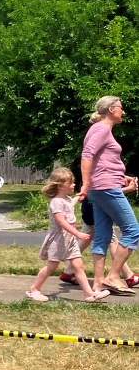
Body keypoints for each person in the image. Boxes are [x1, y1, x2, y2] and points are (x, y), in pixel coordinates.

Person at [77, 96, 139, 295]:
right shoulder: (102, 129)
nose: (123, 111)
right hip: (105, 188)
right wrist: (85, 184)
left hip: (103, 186)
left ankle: (98, 283)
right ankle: (113, 276)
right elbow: (87, 155)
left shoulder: (98, 129)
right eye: (121, 108)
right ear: (112, 109)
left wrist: (123, 177)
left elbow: (102, 163)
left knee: (102, 236)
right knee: (133, 230)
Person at [26, 168, 109, 303]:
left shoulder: (66, 199)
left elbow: (70, 204)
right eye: (71, 183)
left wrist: (81, 195)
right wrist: (78, 234)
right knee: (51, 266)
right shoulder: (56, 202)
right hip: (59, 239)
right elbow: (61, 221)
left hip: (69, 240)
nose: (73, 185)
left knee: (78, 266)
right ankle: (34, 289)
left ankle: (89, 294)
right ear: (60, 185)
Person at [60, 179, 139, 287]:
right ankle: (129, 276)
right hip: (95, 208)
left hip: (91, 208)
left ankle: (68, 271)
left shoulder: (97, 170)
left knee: (86, 239)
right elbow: (106, 193)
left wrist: (124, 177)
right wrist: (129, 188)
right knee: (112, 241)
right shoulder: (97, 172)